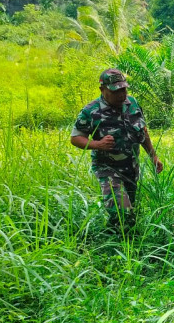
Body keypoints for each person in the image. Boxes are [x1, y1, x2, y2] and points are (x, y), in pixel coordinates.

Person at [70, 68, 163, 230]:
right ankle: (120, 245)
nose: (122, 94)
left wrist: (153, 156)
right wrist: (97, 144)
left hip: (131, 167)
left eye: (124, 89)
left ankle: (117, 241)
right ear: (102, 89)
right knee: (121, 210)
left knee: (130, 212)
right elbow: (75, 138)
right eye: (116, 91)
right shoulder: (91, 111)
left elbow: (143, 132)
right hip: (107, 168)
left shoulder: (132, 104)